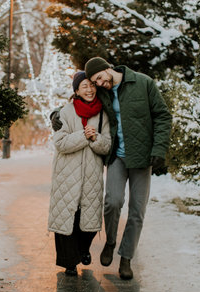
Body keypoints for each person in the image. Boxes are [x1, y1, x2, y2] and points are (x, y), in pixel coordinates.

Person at [51, 57, 172, 280]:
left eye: (99, 78)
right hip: (117, 156)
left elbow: (162, 116)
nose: (98, 84)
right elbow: (81, 100)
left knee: (137, 211)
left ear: (108, 69)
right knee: (112, 201)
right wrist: (56, 114)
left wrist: (159, 149)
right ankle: (110, 241)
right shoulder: (102, 91)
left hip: (143, 157)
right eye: (95, 81)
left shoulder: (143, 83)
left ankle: (126, 258)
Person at [48, 71, 111, 276]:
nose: (89, 89)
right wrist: (84, 136)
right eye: (84, 86)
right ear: (76, 90)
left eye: (92, 85)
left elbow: (107, 146)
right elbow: (60, 143)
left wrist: (96, 139)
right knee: (68, 217)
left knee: (90, 219)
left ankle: (83, 249)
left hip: (92, 175)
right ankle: (69, 262)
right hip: (67, 173)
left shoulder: (103, 114)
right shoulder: (65, 112)